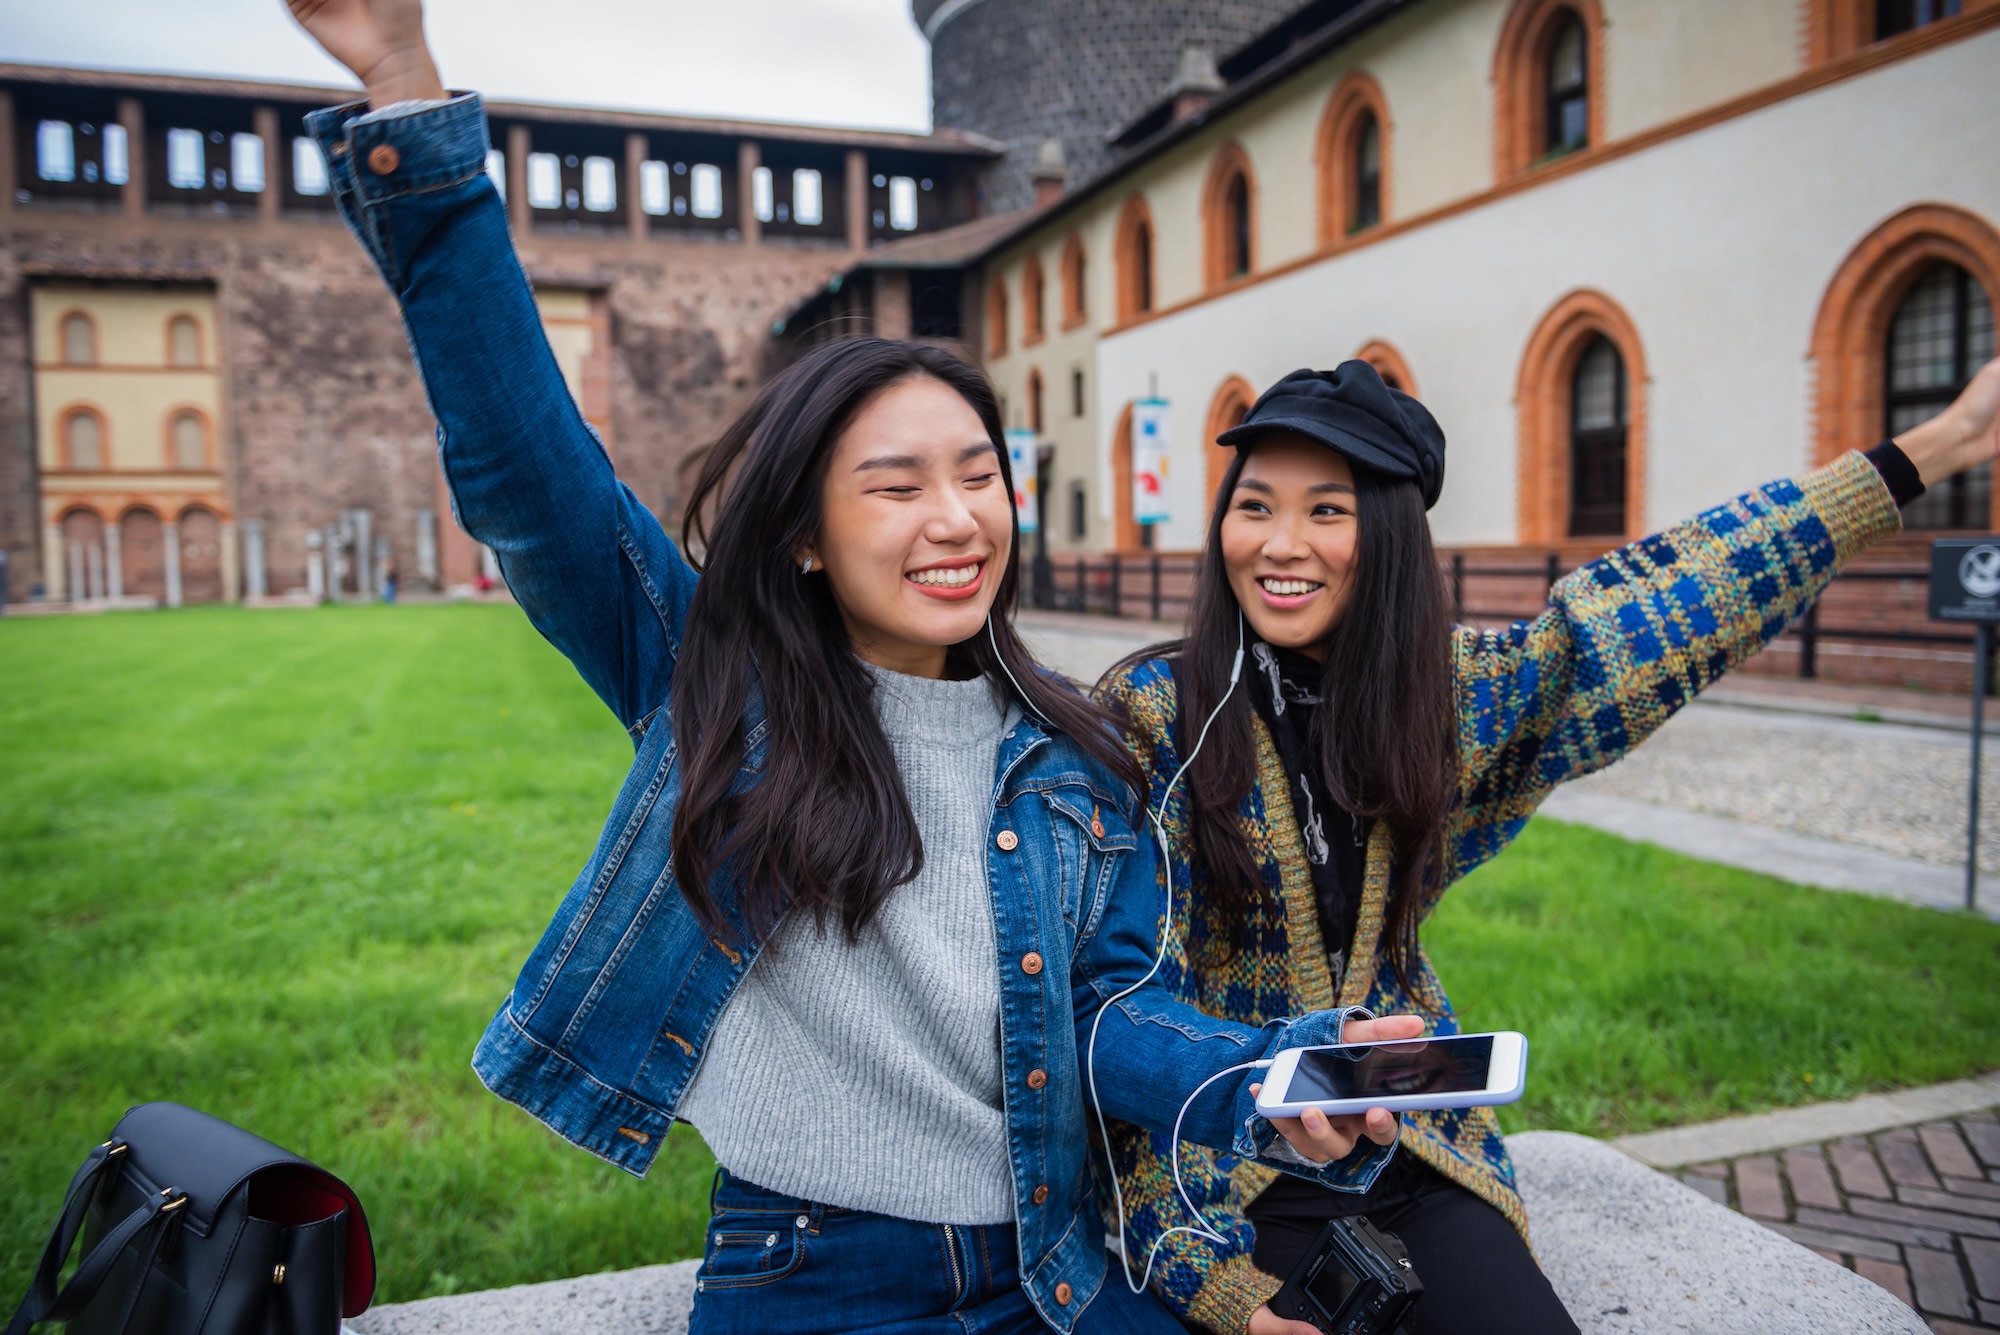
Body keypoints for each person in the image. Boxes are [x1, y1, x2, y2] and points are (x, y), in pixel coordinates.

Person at [280, 4, 1422, 1331]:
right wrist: (409, 103)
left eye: (979, 473)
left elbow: (1114, 1014)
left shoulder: (1075, 751)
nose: (956, 517)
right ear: (808, 537)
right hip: (811, 1272)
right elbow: (531, 476)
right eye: (895, 486)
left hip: (1046, 1267)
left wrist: (1273, 1072)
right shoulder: (717, 682)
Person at [1098, 357, 2000, 1335]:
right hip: (1228, 1177)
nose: (1279, 544)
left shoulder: (1444, 699)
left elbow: (1668, 606)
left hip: (1415, 1140)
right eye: (1253, 506)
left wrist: (1940, 444)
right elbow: (1113, 1018)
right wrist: (1215, 1286)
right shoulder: (1153, 717)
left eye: (1327, 510)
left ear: (1390, 536)